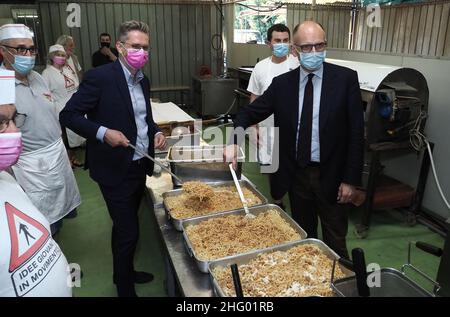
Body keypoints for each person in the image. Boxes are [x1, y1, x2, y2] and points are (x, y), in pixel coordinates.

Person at [225, 21, 364, 258]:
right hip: (297, 176)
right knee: (303, 236)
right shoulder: (283, 85)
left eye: (319, 46)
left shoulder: (345, 80)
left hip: (332, 175)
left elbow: (356, 133)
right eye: (307, 47)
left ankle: (342, 284)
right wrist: (234, 139)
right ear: (295, 50)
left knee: (335, 240)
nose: (314, 52)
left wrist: (351, 180)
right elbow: (250, 112)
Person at [60, 20, 167, 297]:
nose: (141, 52)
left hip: (138, 164)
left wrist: (155, 132)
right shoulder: (100, 77)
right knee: (129, 230)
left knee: (125, 225)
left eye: (145, 48)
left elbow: (145, 119)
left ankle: (125, 272)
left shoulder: (143, 80)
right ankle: (125, 288)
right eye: (135, 46)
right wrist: (103, 132)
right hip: (113, 168)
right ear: (120, 47)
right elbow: (68, 115)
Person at [0, 24, 81, 235]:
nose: (28, 55)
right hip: (31, 165)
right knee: (41, 219)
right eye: (20, 49)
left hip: (56, 153)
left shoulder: (37, 77)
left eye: (31, 49)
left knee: (61, 210)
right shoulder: (2, 86)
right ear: (3, 50)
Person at [0, 68, 72, 297]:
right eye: (1, 123)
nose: (15, 132)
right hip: (36, 163)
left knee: (54, 216)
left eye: (13, 120)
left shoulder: (7, 181)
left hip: (51, 154)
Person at [246, 23, 299, 209]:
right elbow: (254, 98)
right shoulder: (260, 68)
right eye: (278, 40)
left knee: (294, 166)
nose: (282, 44)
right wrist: (253, 127)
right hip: (268, 127)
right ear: (269, 43)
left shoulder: (297, 64)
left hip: (294, 128)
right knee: (270, 166)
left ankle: (296, 200)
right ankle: (277, 200)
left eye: (285, 40)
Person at [42, 44, 85, 168]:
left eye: (63, 55)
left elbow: (76, 84)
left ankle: (73, 158)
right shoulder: (47, 73)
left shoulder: (67, 70)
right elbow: (46, 93)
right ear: (51, 57)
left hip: (74, 106)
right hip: (60, 108)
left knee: (75, 136)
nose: (61, 57)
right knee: (65, 137)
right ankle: (66, 162)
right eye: (58, 55)